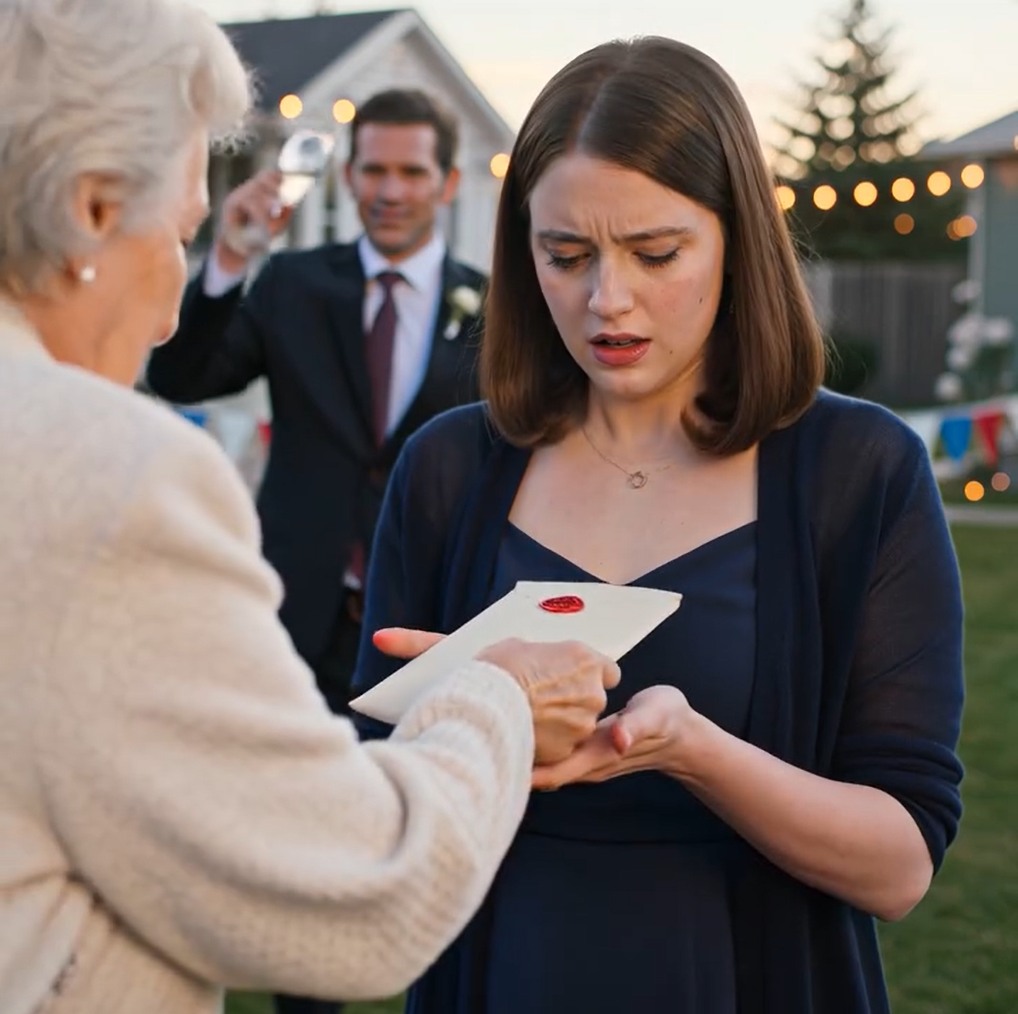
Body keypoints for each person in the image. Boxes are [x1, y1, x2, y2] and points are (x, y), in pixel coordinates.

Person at [0, 3, 621, 1013]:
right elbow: (360, 898)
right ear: (95, 210)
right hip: (294, 618)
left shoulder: (491, 303)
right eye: (180, 234)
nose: (167, 303)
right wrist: (499, 696)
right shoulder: (111, 467)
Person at [350, 35, 965, 1014]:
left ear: (737, 240)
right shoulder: (447, 469)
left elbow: (896, 870)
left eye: (654, 253)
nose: (606, 300)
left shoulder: (860, 473)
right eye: (565, 255)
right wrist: (457, 721)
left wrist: (688, 749)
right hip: (501, 974)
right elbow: (364, 828)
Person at [146, 86, 485, 727]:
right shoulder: (291, 283)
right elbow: (179, 377)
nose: (390, 191)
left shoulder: (495, 308)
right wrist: (228, 257)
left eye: (412, 172)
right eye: (374, 170)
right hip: (292, 611)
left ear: (448, 185)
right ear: (349, 175)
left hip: (429, 620)